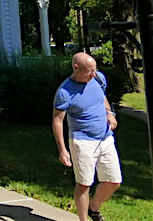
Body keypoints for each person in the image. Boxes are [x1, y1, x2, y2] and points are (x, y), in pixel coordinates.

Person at [52, 52, 122, 221]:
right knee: (84, 184)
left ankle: (93, 208)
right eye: (89, 71)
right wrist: (62, 150)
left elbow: (102, 96)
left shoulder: (97, 78)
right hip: (83, 141)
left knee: (114, 181)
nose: (93, 74)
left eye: (94, 70)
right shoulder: (65, 92)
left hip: (105, 138)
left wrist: (109, 113)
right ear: (76, 68)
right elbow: (57, 121)